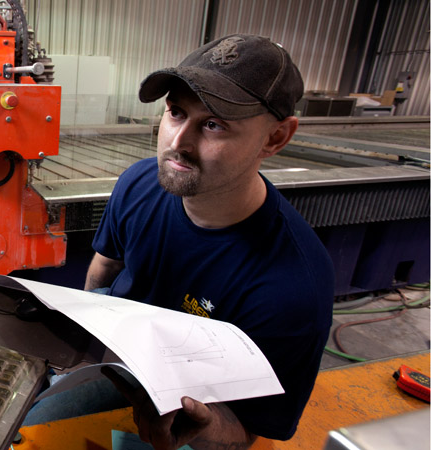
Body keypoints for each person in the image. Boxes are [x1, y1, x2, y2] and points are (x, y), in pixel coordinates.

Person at [24, 35, 334, 450]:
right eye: (175, 112)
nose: (178, 143)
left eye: (213, 124)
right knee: (24, 423)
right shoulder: (137, 184)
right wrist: (81, 349)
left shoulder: (293, 286)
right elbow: (104, 268)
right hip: (117, 360)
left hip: (196, 399)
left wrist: (204, 428)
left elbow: (248, 428)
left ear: (275, 138)